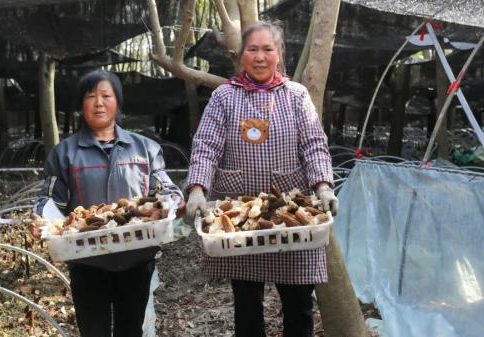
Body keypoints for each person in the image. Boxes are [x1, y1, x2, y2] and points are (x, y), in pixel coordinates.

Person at [185, 21, 338, 337]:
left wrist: (322, 184)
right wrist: (197, 189)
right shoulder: (225, 96)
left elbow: (313, 143)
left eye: (267, 49)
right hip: (239, 219)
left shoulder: (296, 95)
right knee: (247, 305)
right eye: (252, 49)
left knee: (299, 306)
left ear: (279, 54)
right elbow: (206, 145)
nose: (259, 56)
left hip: (292, 217)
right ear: (241, 55)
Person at [34, 69, 183, 337]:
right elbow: (49, 200)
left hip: (136, 257)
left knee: (131, 328)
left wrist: (174, 201)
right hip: (87, 260)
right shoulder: (65, 153)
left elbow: (165, 188)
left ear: (118, 102)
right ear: (81, 104)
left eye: (106, 95)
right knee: (94, 331)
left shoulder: (145, 149)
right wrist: (42, 219)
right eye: (91, 96)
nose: (99, 103)